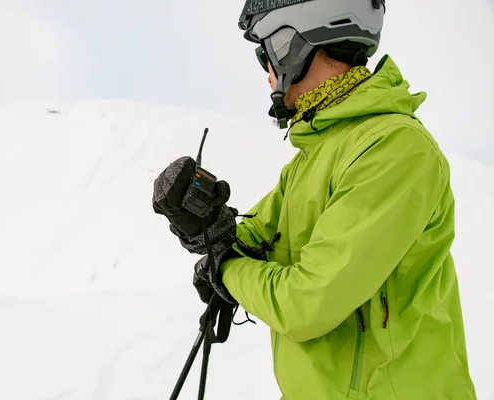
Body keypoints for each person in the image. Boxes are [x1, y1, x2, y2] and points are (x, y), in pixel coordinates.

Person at [153, 0, 477, 398]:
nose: (267, 73)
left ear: (297, 41)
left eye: (265, 53)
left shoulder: (394, 149)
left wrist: (226, 272)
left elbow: (305, 304)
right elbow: (254, 240)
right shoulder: (314, 157)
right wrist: (206, 226)